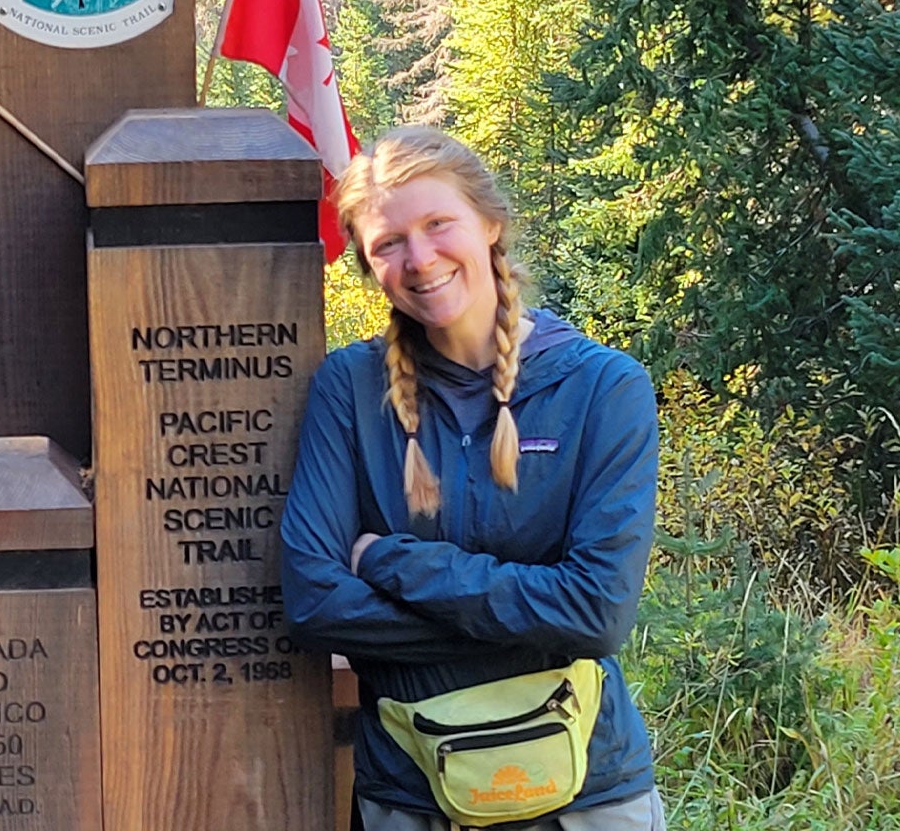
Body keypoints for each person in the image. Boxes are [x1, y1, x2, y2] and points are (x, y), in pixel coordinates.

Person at [280, 127, 663, 831]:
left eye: (437, 224)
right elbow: (315, 603)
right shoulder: (351, 389)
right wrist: (533, 628)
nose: (419, 259)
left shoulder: (604, 387)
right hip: (411, 796)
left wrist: (392, 560)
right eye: (388, 244)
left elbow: (598, 613)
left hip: (586, 795)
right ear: (370, 267)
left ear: (489, 224)